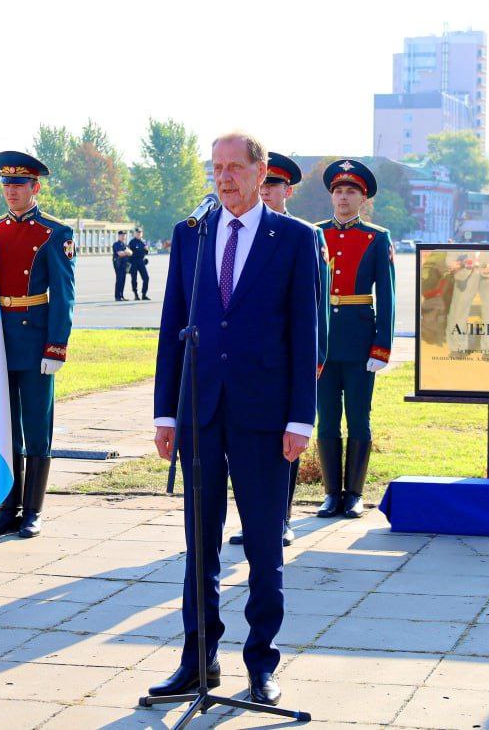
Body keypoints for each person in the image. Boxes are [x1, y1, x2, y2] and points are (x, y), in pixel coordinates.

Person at [149, 132, 318, 707]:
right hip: (201, 410)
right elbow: (174, 324)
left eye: (234, 168)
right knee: (201, 543)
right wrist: (166, 411)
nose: (224, 178)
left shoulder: (295, 239)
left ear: (260, 170)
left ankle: (261, 664)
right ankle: (198, 660)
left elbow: (304, 334)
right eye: (215, 169)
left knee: (264, 545)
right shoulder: (191, 235)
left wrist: (301, 418)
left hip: (265, 416)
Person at [230, 151, 327, 548]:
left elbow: (315, 304)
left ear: (286, 190)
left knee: (285, 441)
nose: (266, 192)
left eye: (273, 186)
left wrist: (316, 355)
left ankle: (282, 517)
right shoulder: (234, 229)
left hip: (289, 356)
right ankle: (251, 518)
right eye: (264, 185)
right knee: (244, 447)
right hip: (248, 359)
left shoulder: (303, 235)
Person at [0, 150, 76, 539]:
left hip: (35, 339)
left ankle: (32, 510)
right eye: (6, 183)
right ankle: (9, 506)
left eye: (19, 184)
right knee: (5, 429)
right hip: (0, 340)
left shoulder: (55, 233)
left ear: (35, 187)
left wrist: (56, 345)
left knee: (36, 429)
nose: (11, 191)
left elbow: (64, 294)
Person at [315, 159, 395, 519]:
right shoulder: (314, 234)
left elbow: (388, 296)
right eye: (338, 191)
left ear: (363, 199)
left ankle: (355, 493)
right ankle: (332, 493)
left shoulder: (377, 238)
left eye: (351, 191)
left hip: (361, 340)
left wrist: (382, 345)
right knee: (326, 419)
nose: (343, 197)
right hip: (323, 343)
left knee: (359, 417)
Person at [129, 227, 151, 300]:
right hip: (134, 262)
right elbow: (129, 253)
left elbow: (146, 252)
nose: (139, 234)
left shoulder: (143, 242)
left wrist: (147, 250)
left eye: (140, 232)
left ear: (142, 233)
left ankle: (144, 294)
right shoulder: (132, 242)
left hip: (141, 262)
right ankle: (136, 294)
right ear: (135, 233)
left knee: (146, 278)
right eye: (137, 232)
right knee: (134, 279)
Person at [112, 230, 131, 301]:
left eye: (124, 235)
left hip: (124, 264)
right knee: (119, 279)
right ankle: (117, 296)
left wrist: (126, 252)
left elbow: (131, 252)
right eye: (122, 235)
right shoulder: (116, 244)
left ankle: (121, 295)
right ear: (119, 236)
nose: (123, 236)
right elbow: (120, 254)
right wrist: (126, 252)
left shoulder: (124, 244)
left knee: (123, 280)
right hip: (118, 264)